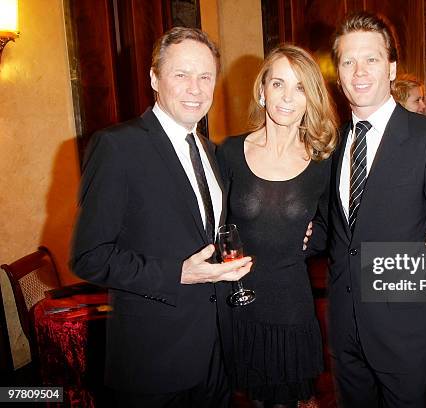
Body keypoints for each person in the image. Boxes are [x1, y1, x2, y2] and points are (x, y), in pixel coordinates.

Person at [70, 27, 253, 408]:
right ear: (154, 78)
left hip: (215, 354)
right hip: (153, 361)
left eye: (205, 76)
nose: (196, 88)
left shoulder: (209, 149)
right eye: (181, 74)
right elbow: (89, 256)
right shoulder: (118, 147)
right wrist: (178, 273)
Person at [327, 12, 426, 407]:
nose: (359, 72)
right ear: (338, 73)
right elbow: (337, 231)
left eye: (371, 59)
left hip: (405, 333)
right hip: (344, 331)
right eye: (348, 61)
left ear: (391, 68)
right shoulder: (331, 144)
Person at [216, 44, 338, 408]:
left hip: (289, 303)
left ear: (310, 97)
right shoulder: (229, 152)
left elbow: (336, 230)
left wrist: (312, 238)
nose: (288, 97)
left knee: (283, 401)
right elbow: (212, 224)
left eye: (300, 87)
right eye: (278, 84)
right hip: (237, 299)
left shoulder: (323, 161)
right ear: (262, 90)